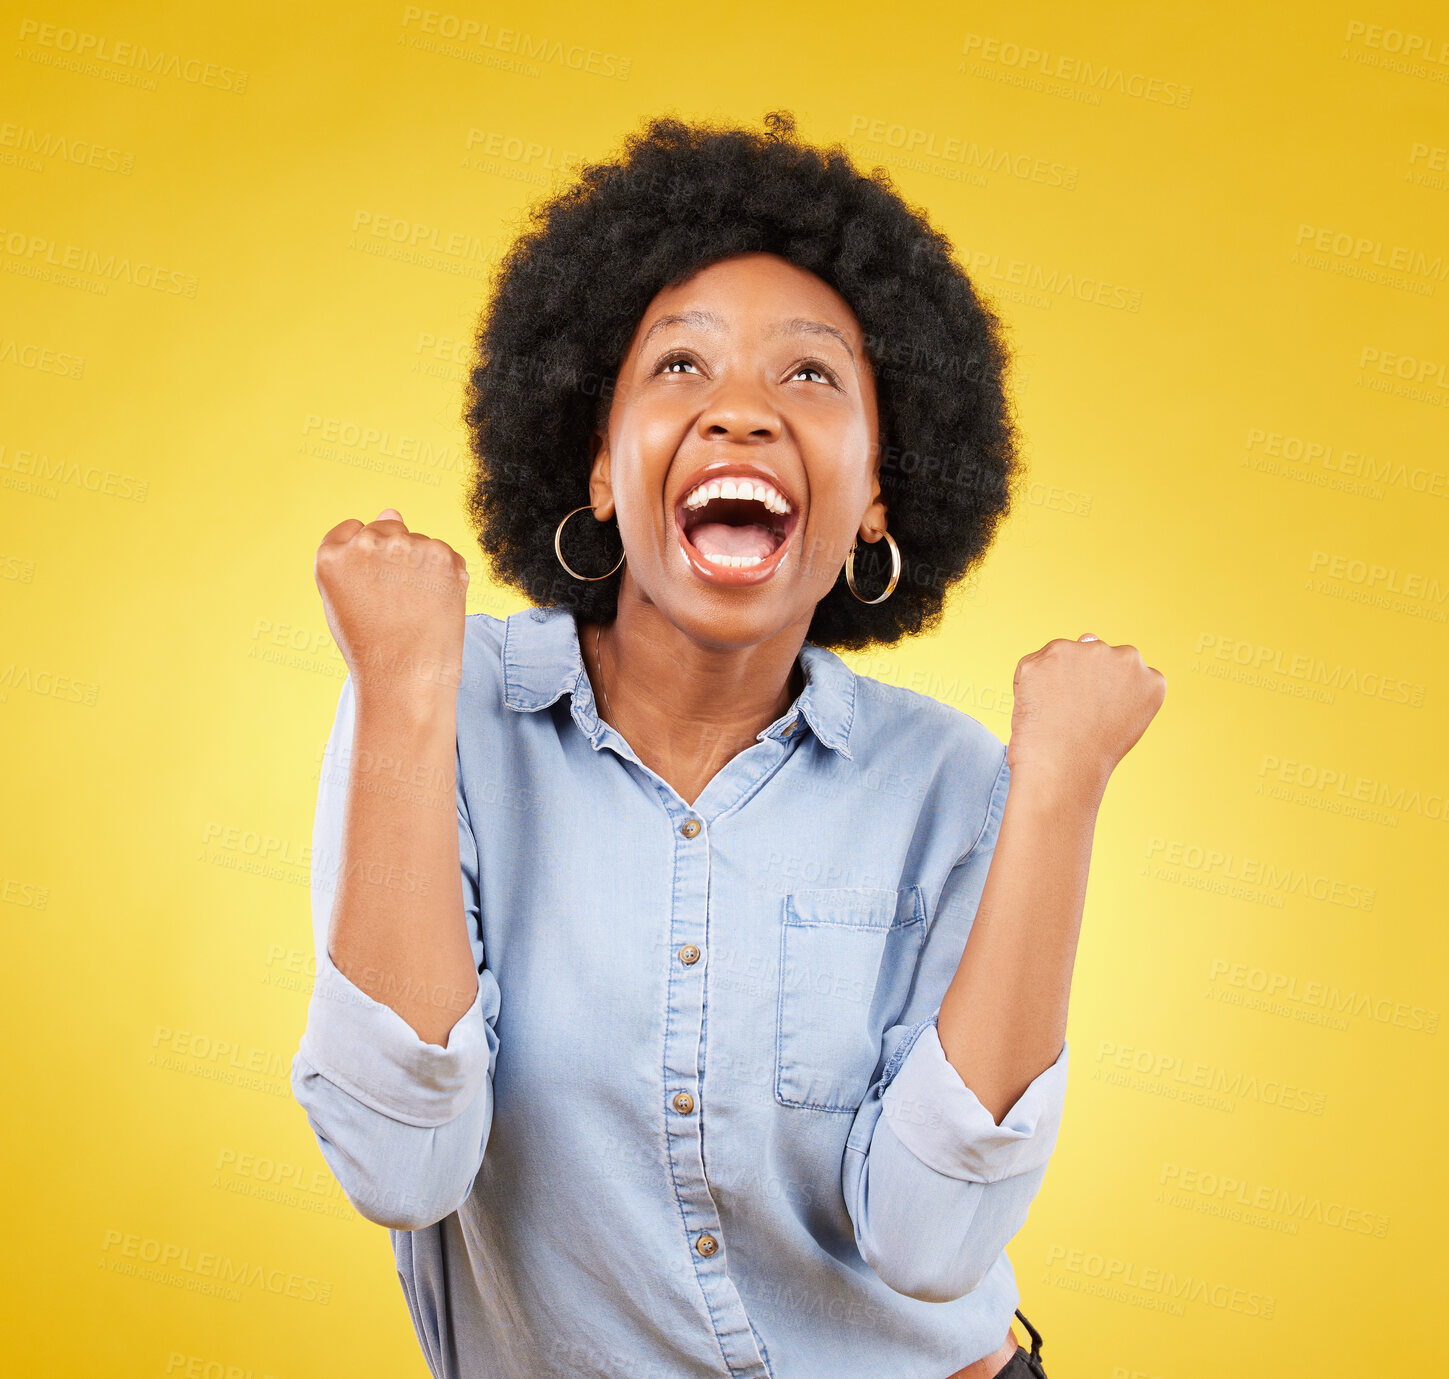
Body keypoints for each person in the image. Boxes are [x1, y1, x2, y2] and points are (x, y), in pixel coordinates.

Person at [291, 110, 1165, 1379]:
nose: (743, 413)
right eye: (680, 368)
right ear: (598, 464)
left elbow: (933, 1241)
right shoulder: (439, 700)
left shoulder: (956, 784)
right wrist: (406, 687)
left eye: (810, 376)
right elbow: (401, 1162)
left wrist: (1060, 793)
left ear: (877, 494)